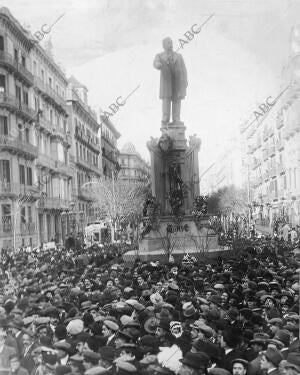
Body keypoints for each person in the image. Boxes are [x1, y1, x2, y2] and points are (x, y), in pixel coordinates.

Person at [153, 37, 188, 125]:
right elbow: (155, 62)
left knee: (177, 99)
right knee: (166, 100)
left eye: (171, 42)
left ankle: (176, 119)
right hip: (167, 82)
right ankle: (165, 119)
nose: (171, 44)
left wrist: (185, 80)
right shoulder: (160, 56)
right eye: (168, 43)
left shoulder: (178, 56)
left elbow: (184, 69)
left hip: (177, 81)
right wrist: (158, 65)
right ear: (164, 45)